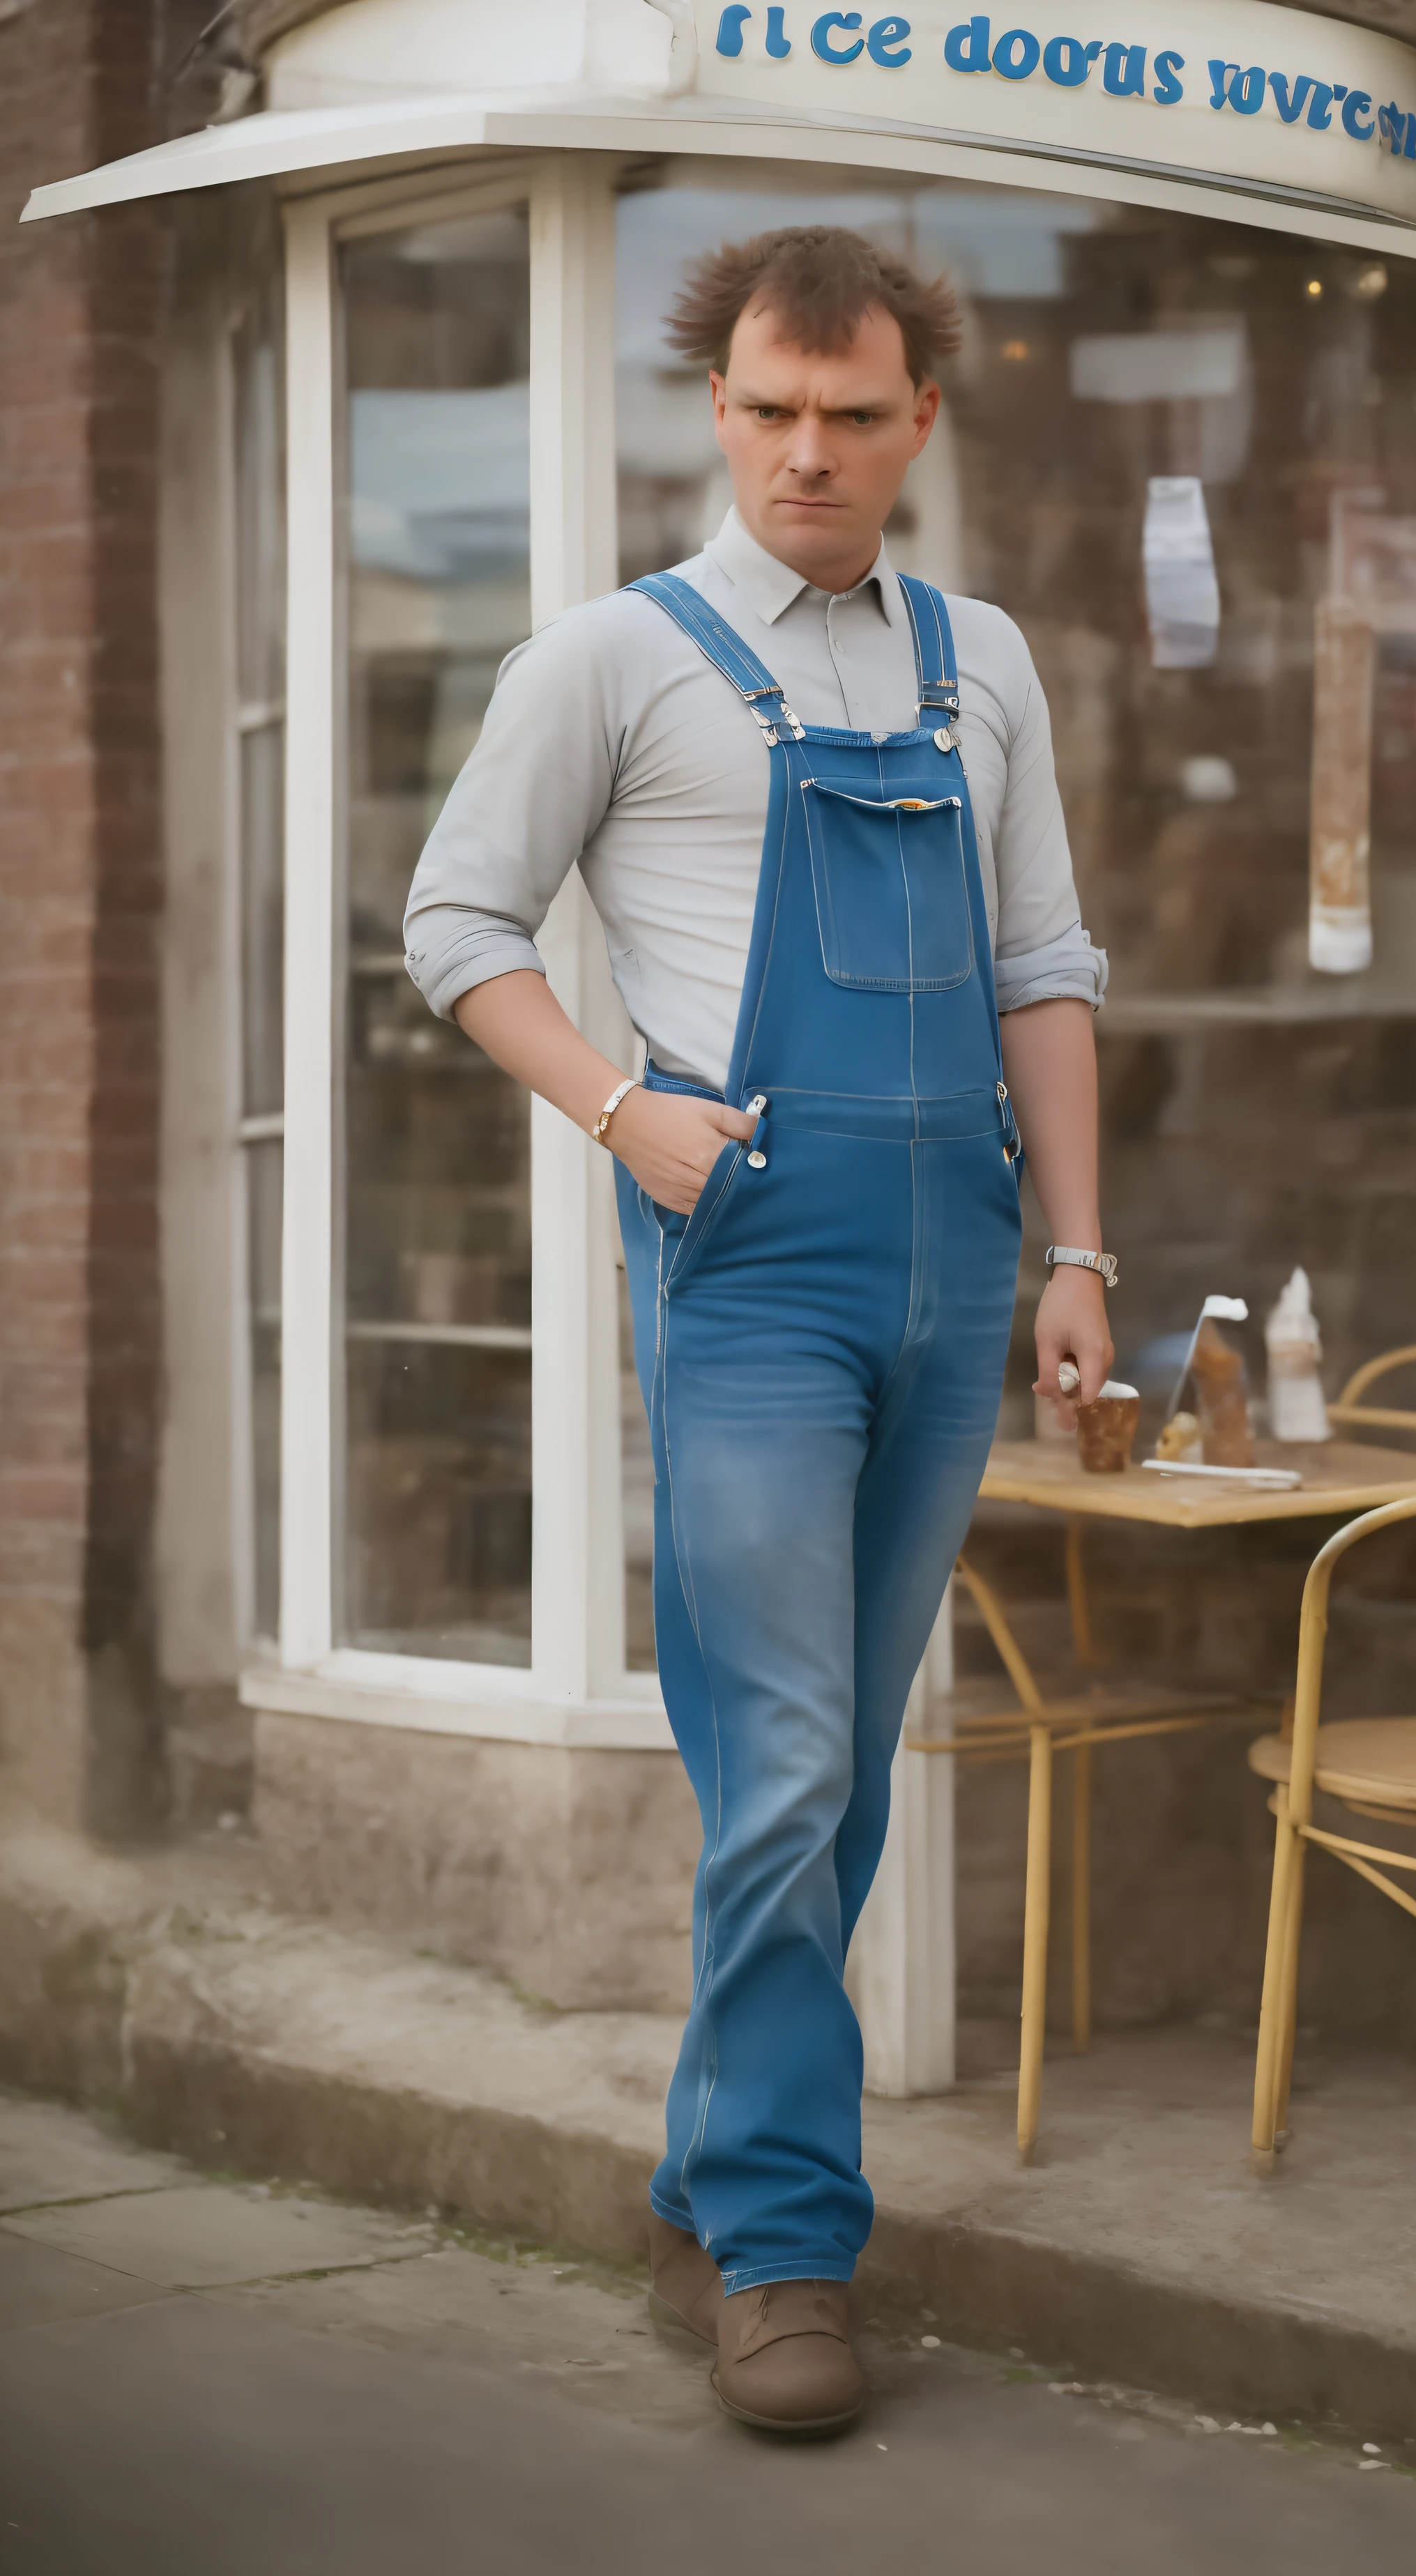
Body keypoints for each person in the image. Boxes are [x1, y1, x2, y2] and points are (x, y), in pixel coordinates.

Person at [403, 225, 1115, 2435]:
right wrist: (624, 1111)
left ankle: (707, 2185)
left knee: (828, 1775)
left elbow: (1046, 968)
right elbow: (455, 921)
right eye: (773, 412)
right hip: (756, 1273)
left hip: (960, 1258)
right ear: (718, 413)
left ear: (918, 421)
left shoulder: (982, 660)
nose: (811, 452)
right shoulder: (612, 659)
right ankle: (794, 2253)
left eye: (856, 414)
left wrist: (1081, 1256)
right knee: (788, 1759)